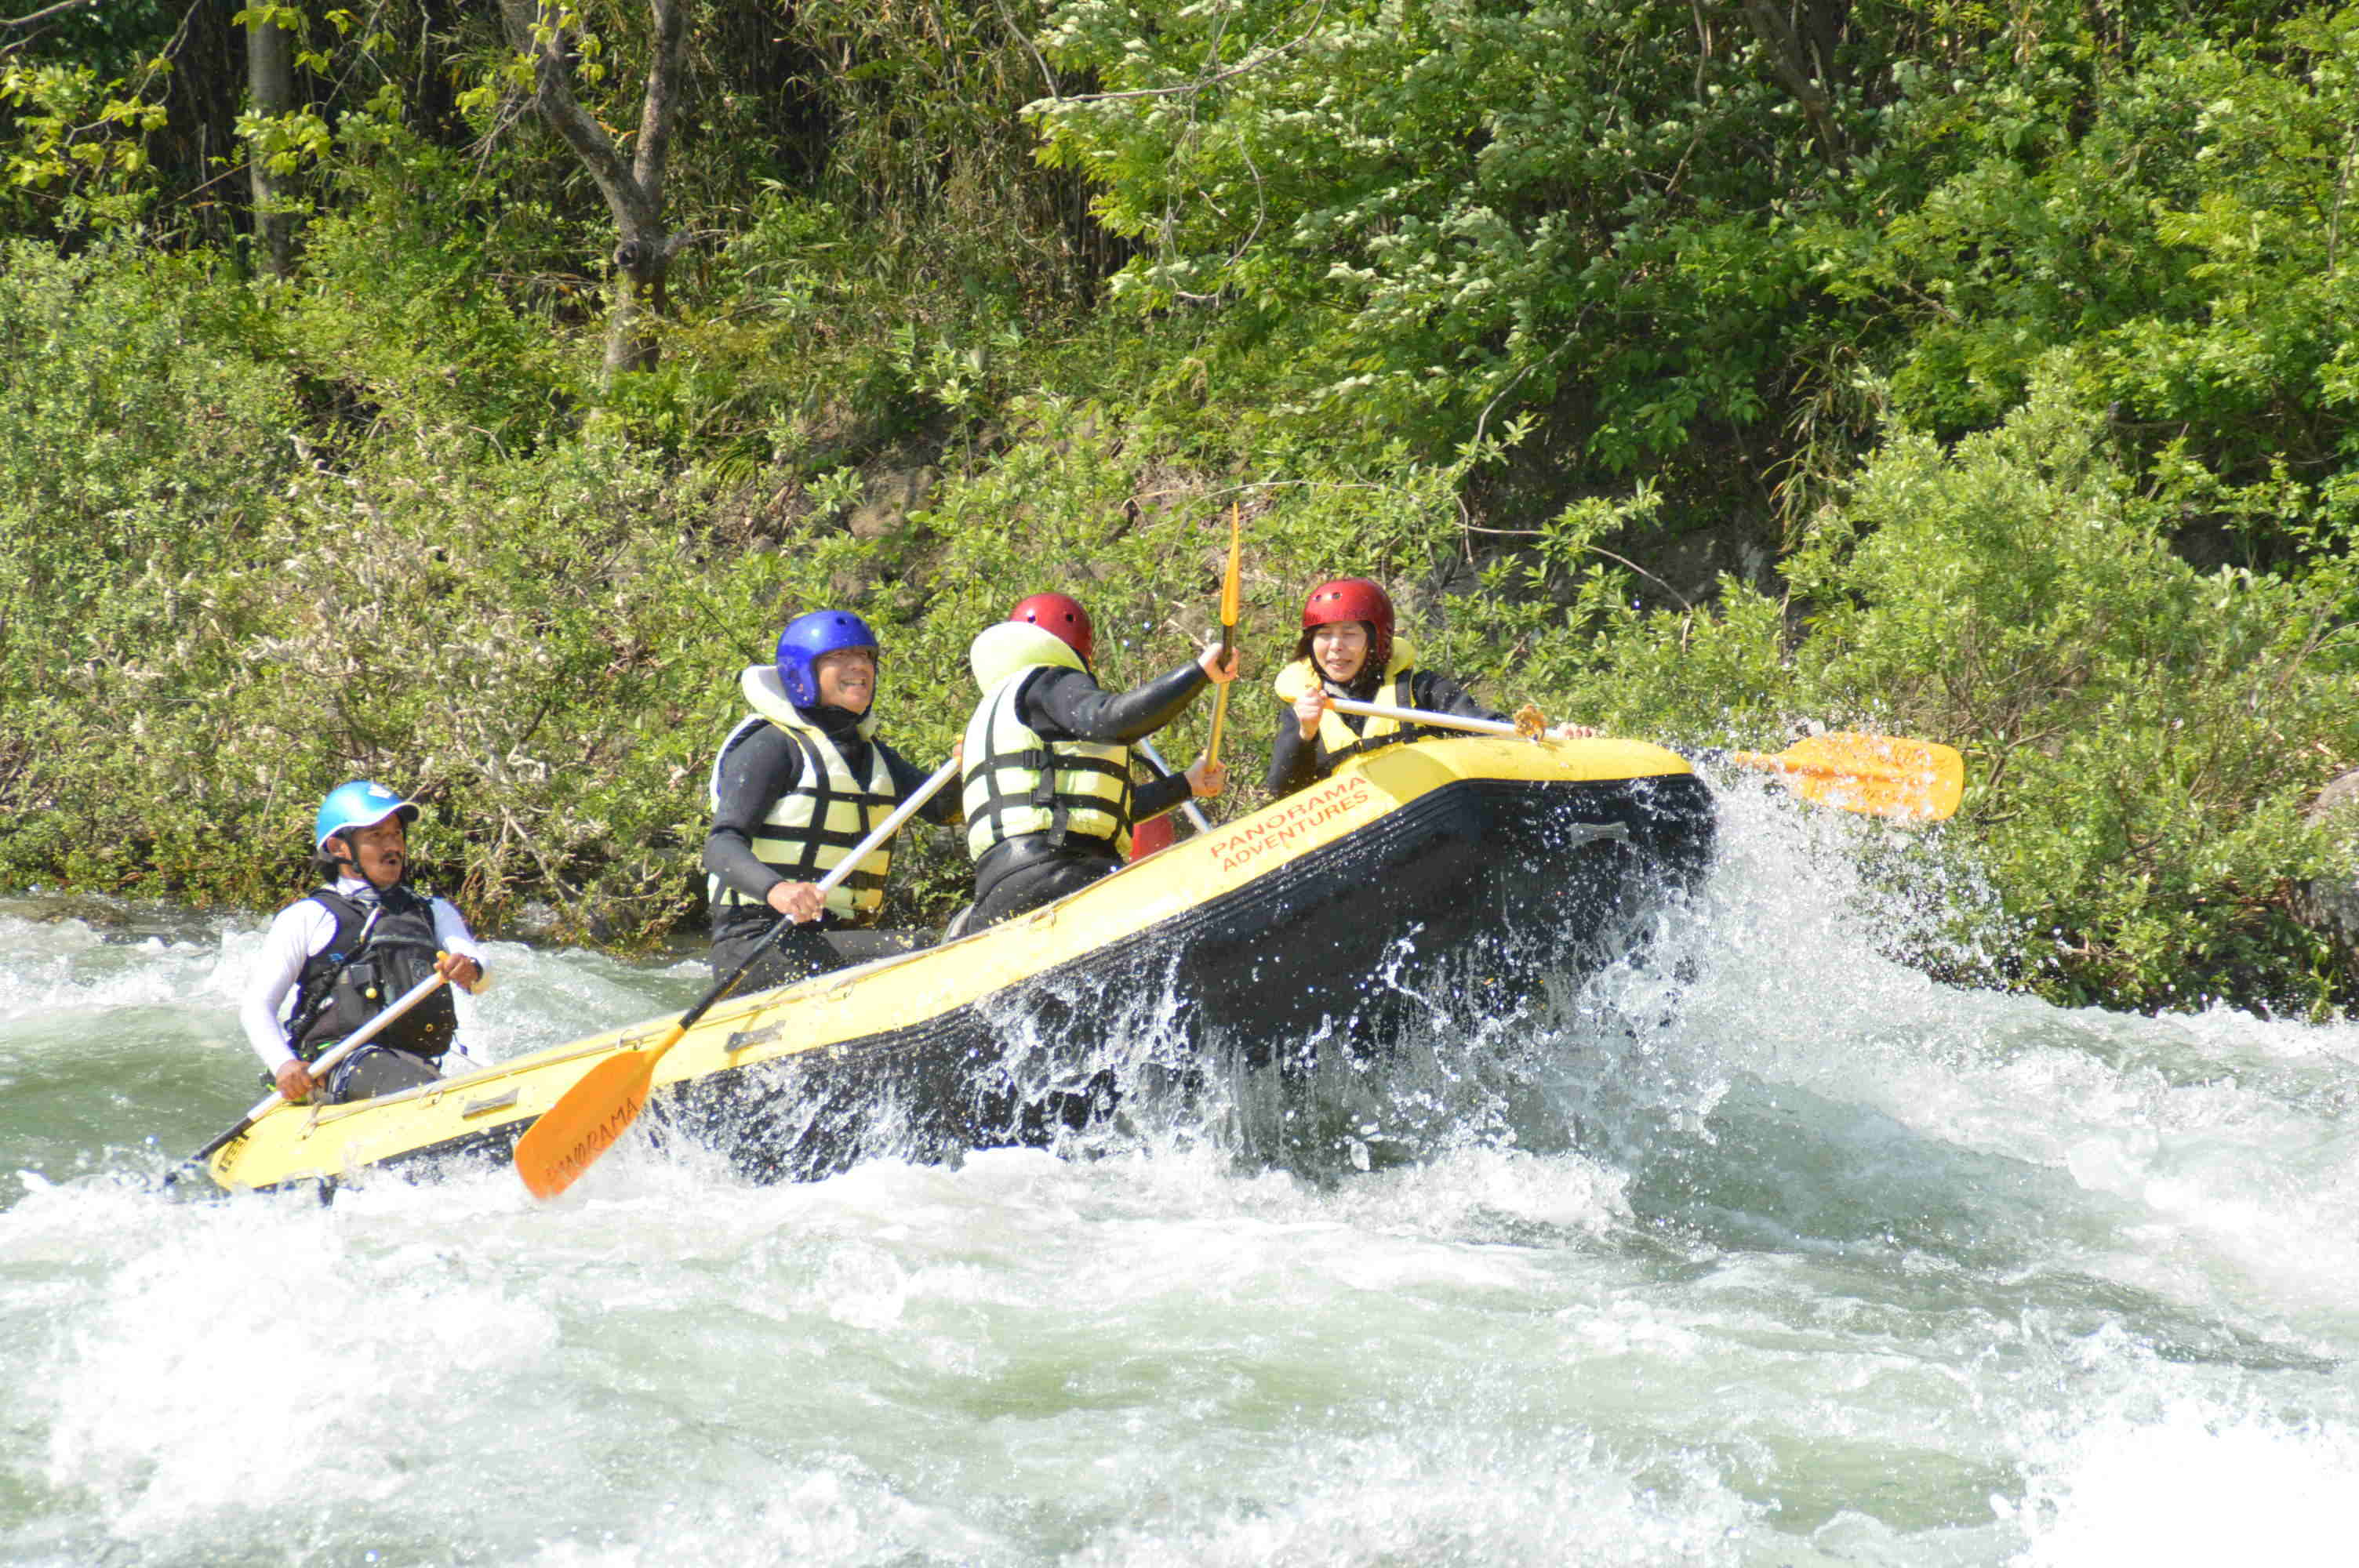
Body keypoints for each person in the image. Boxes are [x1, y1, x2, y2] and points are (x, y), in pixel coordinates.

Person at [703, 608, 962, 990]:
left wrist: (966, 763)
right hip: (758, 945)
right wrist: (778, 890)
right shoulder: (771, 746)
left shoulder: (874, 756)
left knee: (945, 934)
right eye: (840, 657)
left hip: (835, 940)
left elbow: (944, 810)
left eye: (865, 657)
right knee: (924, 946)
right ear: (802, 672)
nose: (859, 666)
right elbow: (720, 845)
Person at [960, 592, 1236, 928]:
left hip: (998, 893)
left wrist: (1185, 785)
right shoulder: (1051, 680)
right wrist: (1198, 673)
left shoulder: (997, 708)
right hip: (1063, 869)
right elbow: (1112, 720)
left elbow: (1101, 808)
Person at [239, 781, 488, 1105]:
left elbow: (480, 968)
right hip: (337, 1066)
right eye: (376, 836)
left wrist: (472, 970)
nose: (392, 846)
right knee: (415, 1087)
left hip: (413, 1066)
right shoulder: (307, 917)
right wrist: (283, 1065)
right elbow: (256, 1007)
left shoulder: (432, 911)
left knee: (421, 1083)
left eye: (396, 834)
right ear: (339, 847)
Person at [1263, 577, 1594, 797]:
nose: (1335, 647)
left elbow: (1485, 726)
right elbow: (1283, 789)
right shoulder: (1303, 710)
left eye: (1350, 634)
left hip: (1427, 810)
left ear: (1376, 642)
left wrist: (1558, 737)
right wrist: (1304, 735)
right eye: (1324, 635)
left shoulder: (1420, 689)